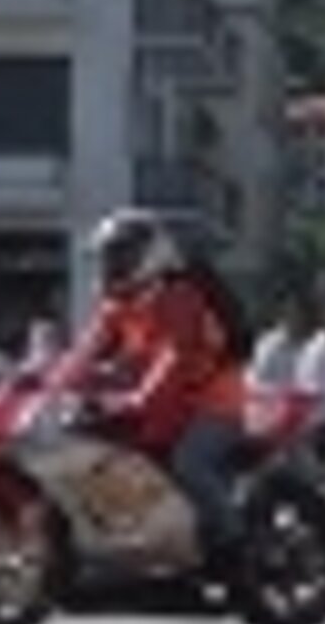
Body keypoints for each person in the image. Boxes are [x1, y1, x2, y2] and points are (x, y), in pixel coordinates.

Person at [48, 208, 248, 565]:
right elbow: (85, 352)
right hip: (163, 404)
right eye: (108, 257)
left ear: (149, 255)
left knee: (189, 465)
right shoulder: (117, 304)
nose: (111, 265)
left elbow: (175, 356)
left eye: (120, 255)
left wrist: (139, 398)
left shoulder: (178, 295)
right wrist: (49, 385)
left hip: (211, 404)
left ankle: (233, 545)